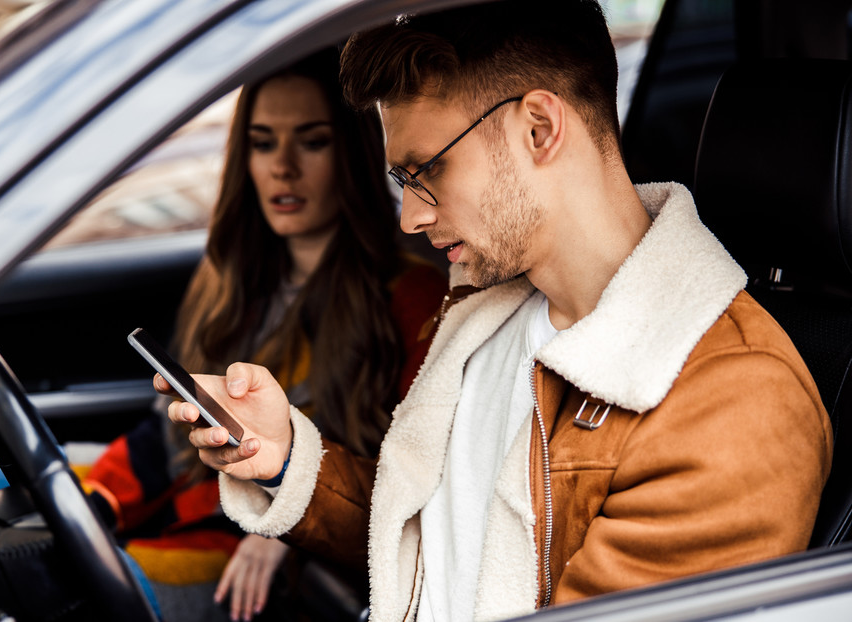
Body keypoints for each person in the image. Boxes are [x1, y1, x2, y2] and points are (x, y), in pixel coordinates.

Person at [160, 2, 835, 621]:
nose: (411, 217)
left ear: (539, 128)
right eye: (403, 181)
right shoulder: (488, 315)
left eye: (427, 171)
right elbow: (443, 535)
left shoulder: (732, 405)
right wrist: (286, 459)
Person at [0, 48, 447, 622]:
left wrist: (288, 521)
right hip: (187, 490)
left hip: (263, 543)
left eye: (312, 140)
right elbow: (167, 436)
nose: (283, 167)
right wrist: (104, 498)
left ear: (350, 154)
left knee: (63, 574)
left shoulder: (411, 297)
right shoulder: (233, 276)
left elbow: (408, 478)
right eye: (262, 141)